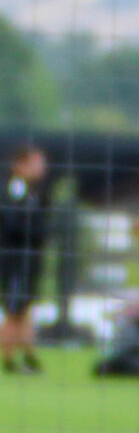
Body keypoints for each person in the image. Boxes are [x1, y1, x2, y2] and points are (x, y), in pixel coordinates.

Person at [0, 144, 47, 374]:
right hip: (16, 260)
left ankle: (28, 357)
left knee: (23, 309)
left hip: (28, 259)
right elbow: (12, 221)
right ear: (20, 165)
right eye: (37, 162)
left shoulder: (31, 190)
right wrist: (33, 233)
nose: (42, 167)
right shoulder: (16, 188)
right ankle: (9, 360)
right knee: (14, 310)